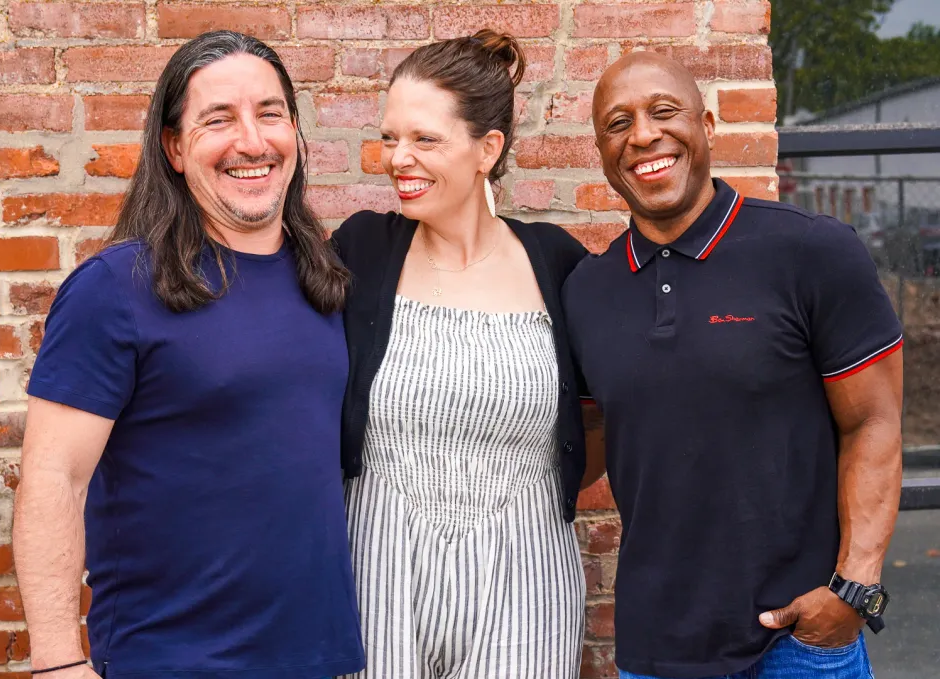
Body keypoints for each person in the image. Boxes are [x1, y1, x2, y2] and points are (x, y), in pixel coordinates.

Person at [12, 31, 364, 679]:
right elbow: (53, 477)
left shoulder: (326, 280)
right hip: (171, 659)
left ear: (294, 130)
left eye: (270, 113)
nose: (252, 142)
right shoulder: (114, 288)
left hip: (316, 657)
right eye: (218, 120)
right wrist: (58, 661)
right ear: (174, 147)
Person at [563, 51, 903, 679]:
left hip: (800, 644)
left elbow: (873, 423)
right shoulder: (587, 292)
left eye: (664, 112)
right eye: (618, 123)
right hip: (657, 650)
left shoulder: (811, 251)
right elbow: (587, 445)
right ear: (602, 151)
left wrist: (853, 590)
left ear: (708, 126)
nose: (643, 135)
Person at [332, 29, 603, 679]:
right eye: (390, 137)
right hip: (377, 575)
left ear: (488, 149)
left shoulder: (557, 264)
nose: (398, 158)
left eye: (425, 139)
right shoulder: (360, 251)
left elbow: (609, 411)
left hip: (524, 581)